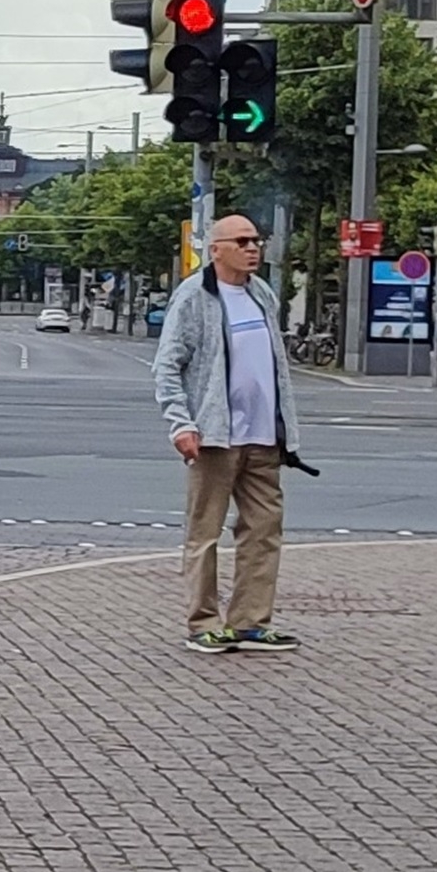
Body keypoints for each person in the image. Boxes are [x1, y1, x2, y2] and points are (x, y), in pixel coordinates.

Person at [153, 214, 311, 654]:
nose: (253, 248)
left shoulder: (262, 294)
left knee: (264, 529)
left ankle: (250, 622)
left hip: (263, 436)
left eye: (256, 240)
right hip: (215, 436)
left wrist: (284, 430)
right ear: (215, 248)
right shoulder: (194, 297)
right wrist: (181, 423)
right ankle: (203, 623)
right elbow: (167, 365)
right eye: (242, 241)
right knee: (205, 531)